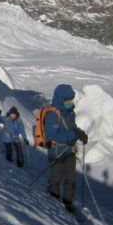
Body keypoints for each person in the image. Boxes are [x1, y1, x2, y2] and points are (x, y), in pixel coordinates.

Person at [44, 84, 88, 213]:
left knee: (70, 179)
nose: (70, 102)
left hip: (69, 151)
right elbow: (53, 136)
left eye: (71, 99)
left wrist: (80, 133)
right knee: (55, 180)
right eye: (68, 100)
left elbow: (72, 128)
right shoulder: (52, 115)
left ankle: (68, 203)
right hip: (56, 151)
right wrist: (74, 134)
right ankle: (54, 201)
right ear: (60, 99)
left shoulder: (69, 113)